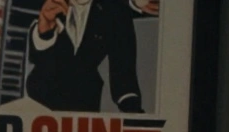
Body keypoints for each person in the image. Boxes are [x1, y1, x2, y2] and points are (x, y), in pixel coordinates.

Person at [25, 0, 159, 113]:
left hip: (84, 104)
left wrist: (136, 117)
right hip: (38, 100)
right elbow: (38, 56)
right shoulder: (46, 4)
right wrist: (44, 33)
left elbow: (124, 77)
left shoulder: (116, 12)